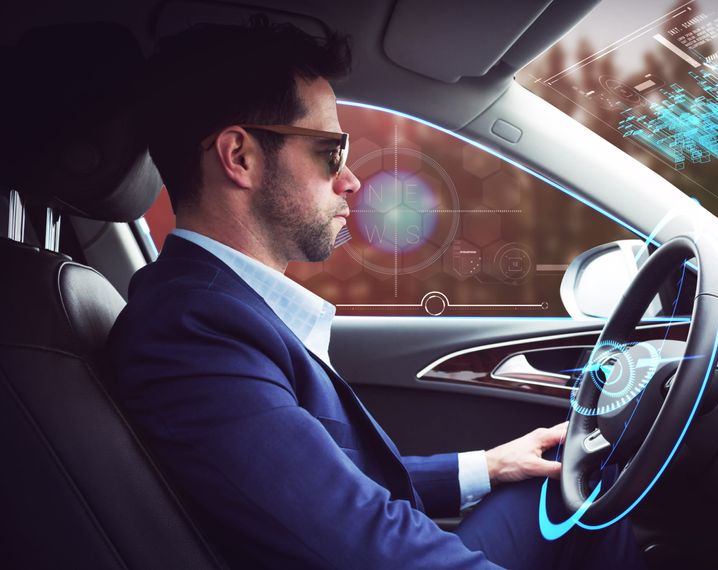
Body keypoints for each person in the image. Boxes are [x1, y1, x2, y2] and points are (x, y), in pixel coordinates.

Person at [106, 21, 644, 569]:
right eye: (330, 151)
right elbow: (362, 548)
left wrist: (488, 465)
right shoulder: (192, 332)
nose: (350, 180)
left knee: (569, 485)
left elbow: (324, 482)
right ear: (239, 156)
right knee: (587, 495)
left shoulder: (211, 307)